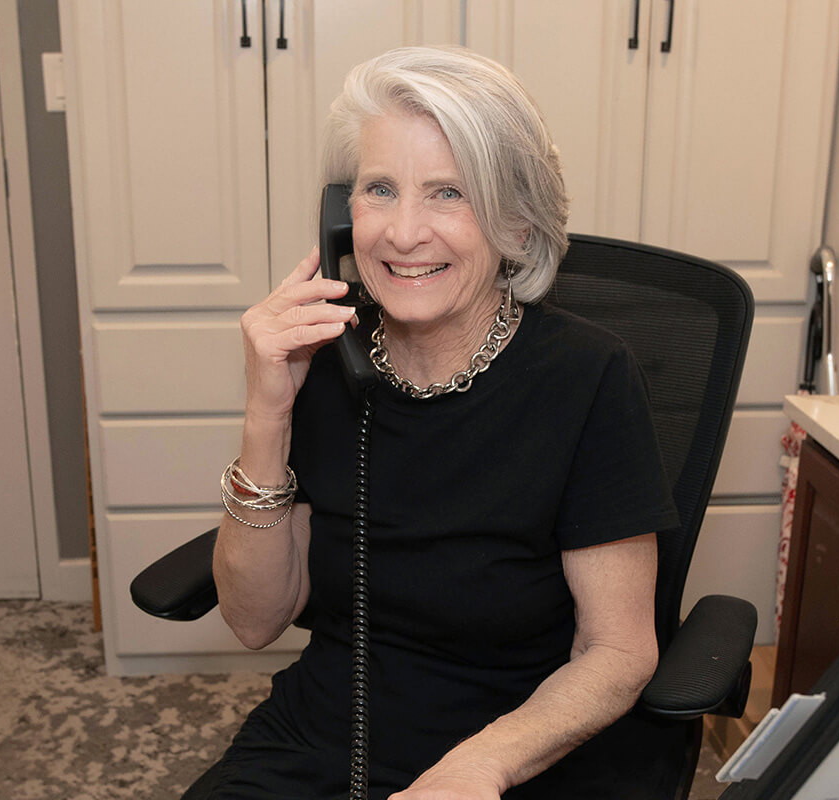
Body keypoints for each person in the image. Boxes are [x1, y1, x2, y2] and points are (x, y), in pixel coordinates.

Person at [187, 46, 682, 800]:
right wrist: (267, 410)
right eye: (378, 189)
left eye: (448, 193)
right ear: (340, 216)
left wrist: (480, 765)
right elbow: (255, 622)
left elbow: (617, 651)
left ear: (515, 223)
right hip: (330, 731)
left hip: (525, 745)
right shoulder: (322, 359)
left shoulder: (586, 378)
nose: (404, 232)